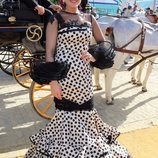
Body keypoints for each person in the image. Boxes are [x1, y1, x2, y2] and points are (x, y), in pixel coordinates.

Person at [25, 0, 131, 157]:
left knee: (86, 112)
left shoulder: (90, 18)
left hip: (84, 76)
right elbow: (50, 52)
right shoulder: (56, 18)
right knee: (65, 114)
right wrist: (53, 81)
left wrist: (94, 55)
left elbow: (103, 43)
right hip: (64, 77)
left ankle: (85, 149)